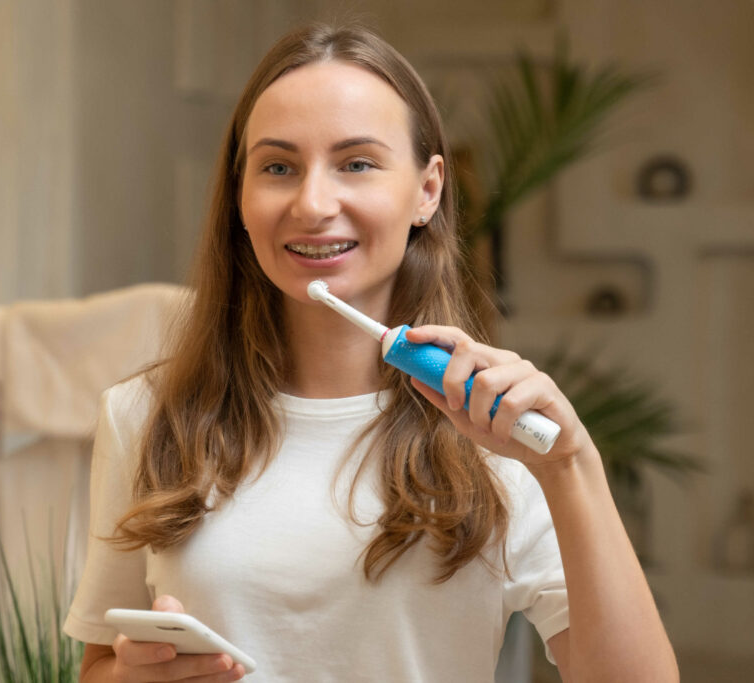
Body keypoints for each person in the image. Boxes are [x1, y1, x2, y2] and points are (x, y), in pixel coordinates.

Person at [62, 23, 678, 682]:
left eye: (357, 162)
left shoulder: (503, 433)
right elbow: (101, 663)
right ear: (239, 195)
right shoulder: (142, 415)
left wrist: (570, 464)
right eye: (277, 167)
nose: (313, 203)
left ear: (428, 189)